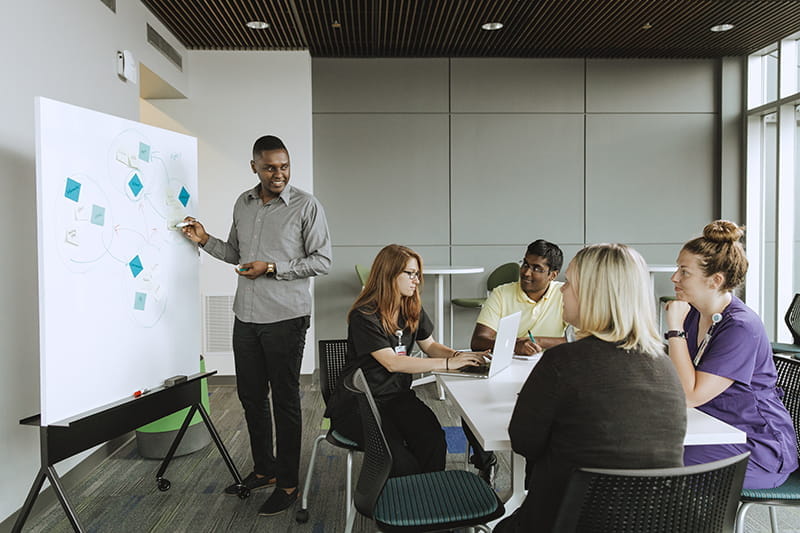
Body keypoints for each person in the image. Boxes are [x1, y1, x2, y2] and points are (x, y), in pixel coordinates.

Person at [179, 135, 332, 516]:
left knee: (285, 401)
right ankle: (264, 469)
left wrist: (274, 268)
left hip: (285, 317)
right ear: (254, 168)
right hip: (245, 316)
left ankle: (289, 483)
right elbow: (236, 254)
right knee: (250, 397)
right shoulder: (243, 204)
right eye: (270, 167)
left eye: (284, 166)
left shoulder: (305, 206)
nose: (278, 174)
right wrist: (204, 240)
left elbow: (322, 260)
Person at [494, 243, 687, 533]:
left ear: (593, 294)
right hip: (651, 522)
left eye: (570, 282)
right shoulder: (665, 365)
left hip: (568, 519)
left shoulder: (562, 362)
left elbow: (524, 443)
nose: (561, 290)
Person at [326, 244, 487, 476]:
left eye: (417, 274)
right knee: (396, 457)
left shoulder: (411, 308)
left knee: (433, 441)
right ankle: (400, 505)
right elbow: (393, 362)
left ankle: (428, 499)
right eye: (410, 274)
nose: (417, 280)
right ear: (389, 275)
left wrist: (460, 356)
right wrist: (448, 364)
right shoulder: (365, 315)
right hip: (360, 402)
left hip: (397, 397)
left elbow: (429, 345)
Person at [665, 220, 798, 489]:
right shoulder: (694, 314)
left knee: (660, 462)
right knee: (644, 451)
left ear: (715, 280)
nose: (674, 278)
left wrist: (674, 332)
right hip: (715, 430)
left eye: (684, 272)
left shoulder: (740, 327)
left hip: (757, 448)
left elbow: (690, 395)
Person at [465, 239, 569, 481]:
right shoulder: (502, 293)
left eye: (536, 268)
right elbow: (479, 340)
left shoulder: (565, 294)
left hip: (548, 374)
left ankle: (534, 479)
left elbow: (583, 340)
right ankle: (486, 461)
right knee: (469, 410)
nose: (526, 272)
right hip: (505, 369)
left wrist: (540, 342)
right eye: (525, 264)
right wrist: (515, 344)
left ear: (553, 274)